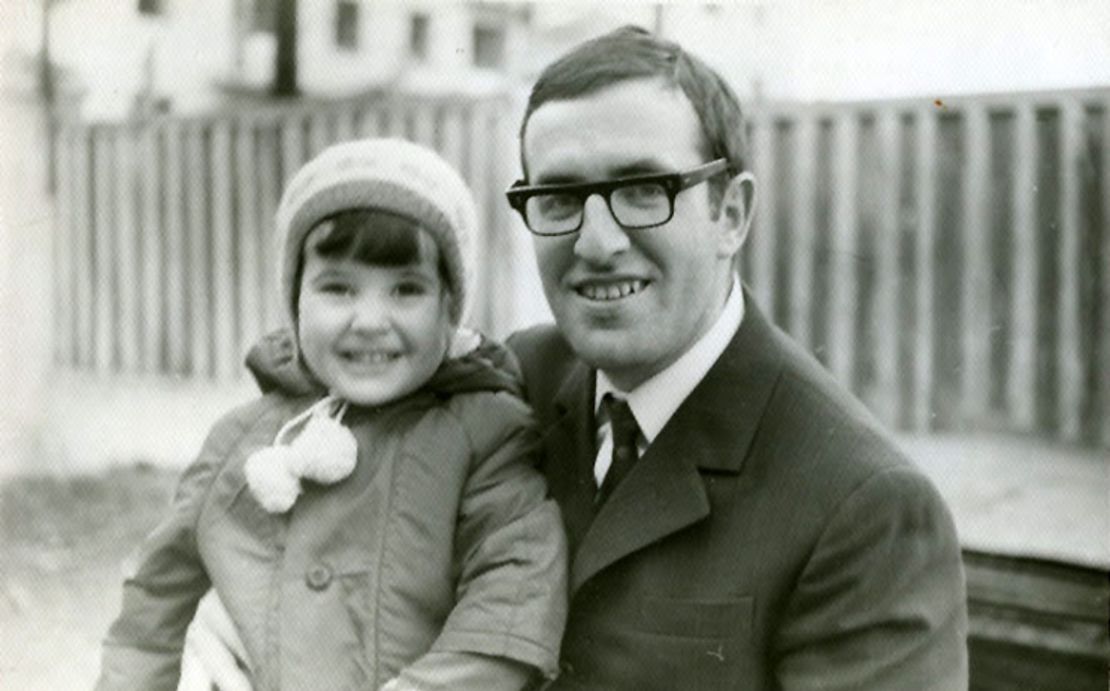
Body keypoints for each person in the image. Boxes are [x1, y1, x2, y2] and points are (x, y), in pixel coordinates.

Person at [186, 25, 969, 690]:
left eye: (643, 189)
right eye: (558, 199)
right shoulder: (509, 382)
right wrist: (224, 622)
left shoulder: (864, 504)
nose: (596, 243)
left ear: (730, 212)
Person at [95, 138, 568, 691]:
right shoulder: (242, 441)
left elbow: (513, 597)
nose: (370, 319)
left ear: (449, 309)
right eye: (338, 288)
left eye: (405, 290)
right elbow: (152, 599)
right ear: (296, 301)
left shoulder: (485, 434)